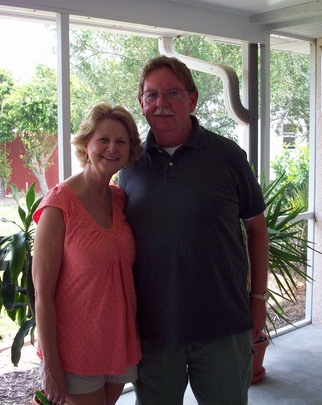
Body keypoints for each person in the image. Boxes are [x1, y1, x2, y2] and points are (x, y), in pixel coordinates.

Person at [118, 56, 269, 405]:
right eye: (152, 94)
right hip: (154, 332)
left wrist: (258, 299)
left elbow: (257, 229)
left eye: (172, 93)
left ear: (193, 98)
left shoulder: (228, 156)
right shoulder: (130, 164)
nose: (162, 103)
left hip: (223, 326)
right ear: (141, 103)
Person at [32, 101, 143, 405]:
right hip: (74, 352)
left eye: (121, 141)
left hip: (117, 344)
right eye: (103, 140)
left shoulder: (119, 199)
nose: (112, 148)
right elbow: (42, 294)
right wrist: (51, 365)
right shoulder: (59, 204)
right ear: (86, 145)